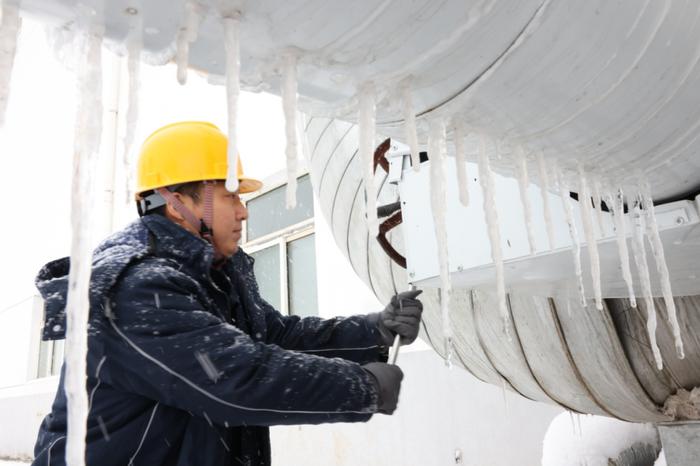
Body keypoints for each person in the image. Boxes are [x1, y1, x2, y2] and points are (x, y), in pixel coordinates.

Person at [31, 121, 423, 465]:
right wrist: (362, 387)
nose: (243, 211)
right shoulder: (135, 285)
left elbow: (275, 336)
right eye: (230, 196)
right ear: (175, 202)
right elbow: (234, 379)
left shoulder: (215, 272)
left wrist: (373, 331)